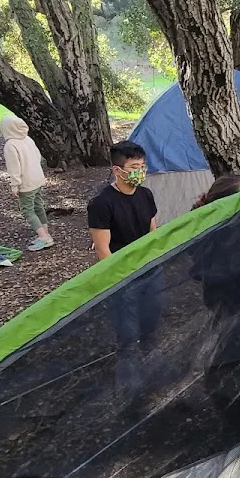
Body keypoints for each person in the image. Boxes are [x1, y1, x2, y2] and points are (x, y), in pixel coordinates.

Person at [88, 141, 160, 389]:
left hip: (150, 271)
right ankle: (129, 384)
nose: (140, 172)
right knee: (128, 333)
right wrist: (120, 280)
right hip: (124, 277)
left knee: (152, 321)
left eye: (142, 166)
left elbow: (153, 233)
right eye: (134, 167)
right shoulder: (101, 204)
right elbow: (102, 249)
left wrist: (155, 261)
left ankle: (152, 370)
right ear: (117, 171)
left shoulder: (146, 195)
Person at [1, 114, 53, 251]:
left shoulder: (10, 145)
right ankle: (45, 233)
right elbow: (38, 157)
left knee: (27, 211)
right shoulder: (28, 139)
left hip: (26, 182)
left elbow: (14, 168)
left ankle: (44, 237)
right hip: (37, 178)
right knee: (38, 206)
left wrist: (14, 185)